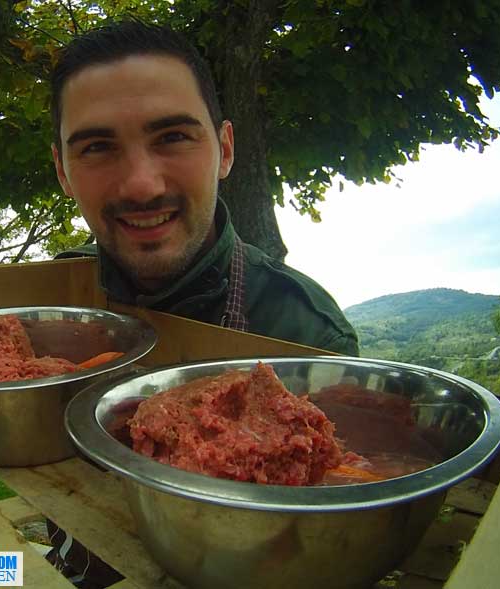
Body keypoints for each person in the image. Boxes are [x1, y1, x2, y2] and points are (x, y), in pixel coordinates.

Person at [45, 18, 359, 587]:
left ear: (227, 150)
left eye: (172, 137)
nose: (141, 184)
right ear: (63, 171)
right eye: (97, 147)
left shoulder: (305, 333)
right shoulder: (54, 304)